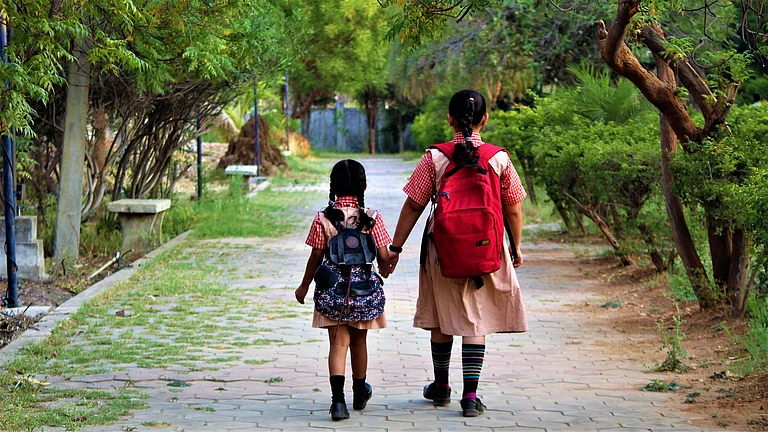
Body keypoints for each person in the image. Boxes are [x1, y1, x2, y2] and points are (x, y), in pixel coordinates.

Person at [387, 89, 528, 417]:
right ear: (485, 119)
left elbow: (413, 205)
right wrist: (516, 246)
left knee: (442, 314)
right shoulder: (498, 158)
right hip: (486, 250)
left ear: (449, 119)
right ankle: (470, 395)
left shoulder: (435, 157)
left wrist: (396, 248)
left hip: (443, 249)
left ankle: (441, 387)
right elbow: (514, 209)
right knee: (474, 320)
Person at [295, 159, 392, 421]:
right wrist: (386, 266)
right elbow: (383, 256)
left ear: (333, 187)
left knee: (338, 344)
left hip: (331, 293)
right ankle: (359, 392)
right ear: (364, 186)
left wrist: (304, 286)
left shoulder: (322, 219)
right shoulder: (372, 218)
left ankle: (338, 403)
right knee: (359, 342)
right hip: (363, 295)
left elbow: (315, 257)